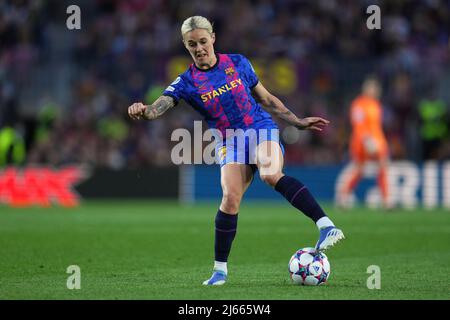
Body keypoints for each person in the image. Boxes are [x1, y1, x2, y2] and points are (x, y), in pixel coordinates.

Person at [128, 16, 344, 286]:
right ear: (186, 46)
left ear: (213, 39)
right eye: (192, 44)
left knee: (270, 174)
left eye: (203, 41)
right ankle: (220, 271)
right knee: (230, 198)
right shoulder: (187, 81)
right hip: (229, 141)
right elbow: (158, 106)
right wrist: (144, 111)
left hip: (259, 127)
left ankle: (326, 226)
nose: (199, 48)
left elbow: (266, 99)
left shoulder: (238, 63)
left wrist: (297, 121)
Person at [338, 76, 390, 208]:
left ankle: (386, 201)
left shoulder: (376, 105)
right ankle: (343, 197)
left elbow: (377, 126)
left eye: (376, 88)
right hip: (362, 141)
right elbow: (358, 124)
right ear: (366, 89)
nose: (375, 91)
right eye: (372, 88)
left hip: (378, 140)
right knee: (360, 169)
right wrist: (367, 140)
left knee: (382, 167)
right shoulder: (359, 104)